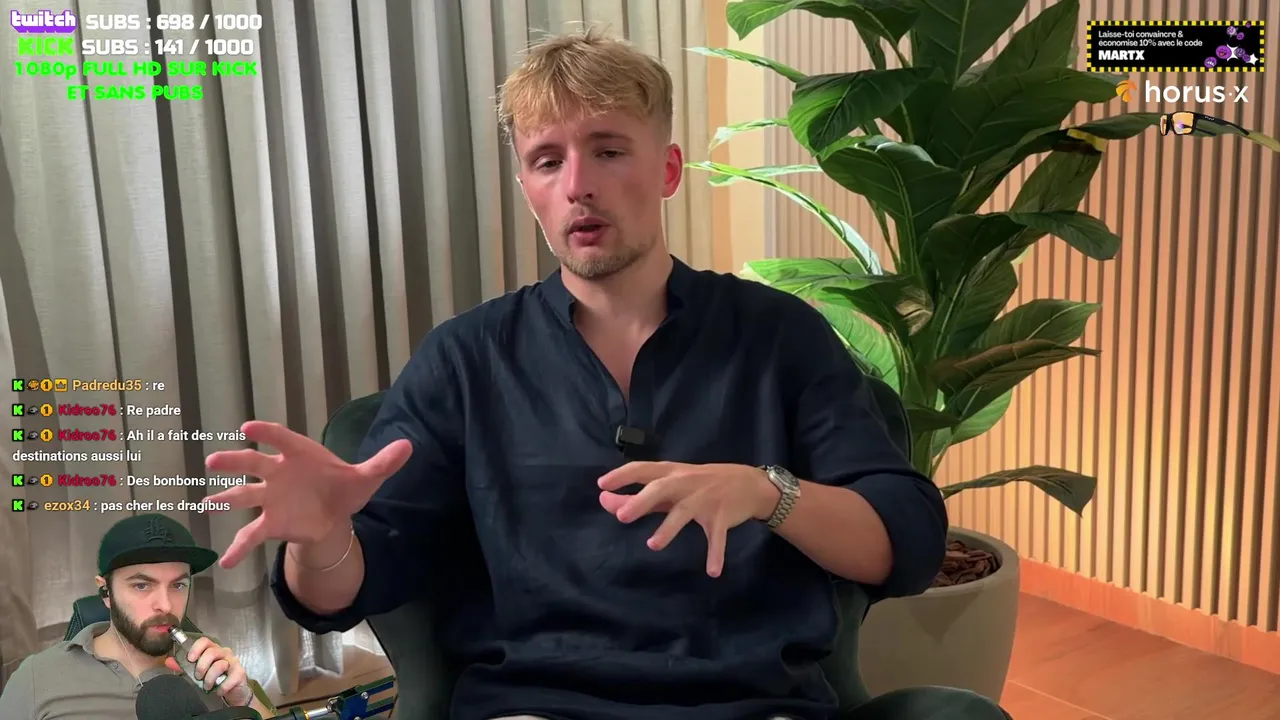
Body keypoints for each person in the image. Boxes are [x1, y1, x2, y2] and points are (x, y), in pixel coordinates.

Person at [202, 28, 965, 720]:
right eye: (547, 160)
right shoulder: (467, 359)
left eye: (608, 150)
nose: (578, 185)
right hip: (533, 706)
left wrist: (768, 493)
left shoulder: (777, 336)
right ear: (527, 188)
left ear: (667, 170)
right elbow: (344, 591)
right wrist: (321, 538)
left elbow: (905, 545)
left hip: (753, 702)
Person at [0, 513, 272, 719]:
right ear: (106, 592)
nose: (165, 605)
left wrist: (242, 699)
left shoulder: (211, 662)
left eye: (178, 585)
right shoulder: (36, 677)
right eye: (142, 585)